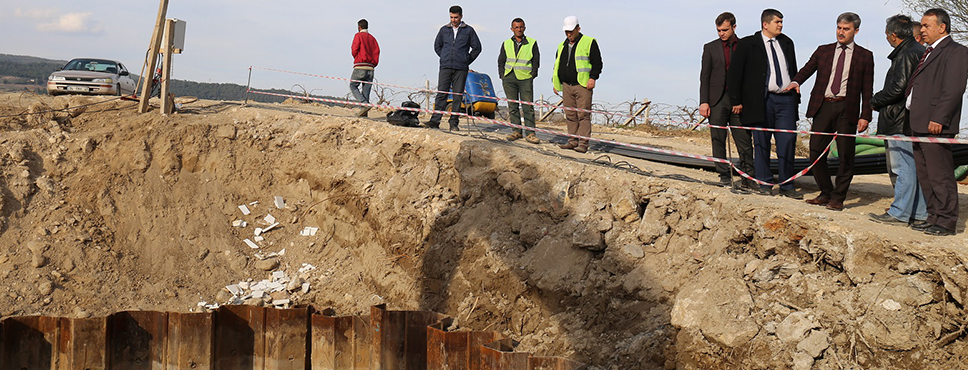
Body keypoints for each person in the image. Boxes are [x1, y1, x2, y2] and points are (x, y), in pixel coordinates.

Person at [784, 12, 874, 210]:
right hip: (823, 106)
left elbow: (868, 89)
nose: (841, 32)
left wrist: (865, 115)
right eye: (839, 28)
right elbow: (807, 69)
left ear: (856, 31)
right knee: (815, 152)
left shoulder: (865, 56)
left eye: (846, 29)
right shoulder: (823, 51)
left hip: (847, 108)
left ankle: (838, 198)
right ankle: (825, 192)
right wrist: (796, 81)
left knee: (846, 155)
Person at [726, 9, 802, 198]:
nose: (781, 25)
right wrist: (736, 100)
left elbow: (792, 69)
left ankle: (786, 185)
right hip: (761, 101)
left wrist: (795, 91)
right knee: (761, 143)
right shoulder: (748, 44)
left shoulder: (787, 42)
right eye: (777, 22)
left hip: (785, 100)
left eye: (782, 22)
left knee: (787, 142)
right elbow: (735, 74)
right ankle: (765, 183)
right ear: (765, 24)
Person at [906, 8, 968, 236]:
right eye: (921, 25)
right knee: (926, 175)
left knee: (940, 175)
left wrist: (939, 117)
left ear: (942, 27)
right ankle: (933, 217)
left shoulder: (956, 52)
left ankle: (946, 221)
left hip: (935, 124)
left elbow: (953, 89)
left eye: (926, 25)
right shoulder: (929, 52)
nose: (921, 30)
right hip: (918, 123)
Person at [868, 15, 928, 227]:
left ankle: (900, 212)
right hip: (911, 118)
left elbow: (898, 88)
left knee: (902, 167)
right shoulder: (919, 51)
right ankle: (919, 212)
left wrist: (875, 101)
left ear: (893, 35)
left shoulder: (906, 54)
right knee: (912, 166)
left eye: (887, 34)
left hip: (899, 119)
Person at [699, 12, 754, 192]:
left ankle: (748, 177)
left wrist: (744, 100)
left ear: (734, 27)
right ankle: (724, 175)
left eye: (725, 30)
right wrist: (704, 102)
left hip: (739, 102)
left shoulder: (745, 46)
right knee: (718, 139)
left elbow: (749, 76)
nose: (721, 33)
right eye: (718, 30)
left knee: (744, 141)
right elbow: (705, 76)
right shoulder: (710, 48)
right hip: (716, 100)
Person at [426, 5, 482, 131]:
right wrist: (444, 57)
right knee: (442, 94)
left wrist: (466, 60)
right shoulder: (444, 30)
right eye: (451, 17)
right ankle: (435, 121)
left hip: (461, 68)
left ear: (461, 16)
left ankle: (454, 123)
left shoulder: (469, 30)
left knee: (457, 96)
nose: (453, 20)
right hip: (445, 67)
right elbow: (437, 46)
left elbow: (477, 48)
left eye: (456, 17)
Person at [554, 15, 603, 154]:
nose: (568, 34)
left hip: (583, 85)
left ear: (578, 29)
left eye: (571, 31)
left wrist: (593, 78)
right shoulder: (561, 46)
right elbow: (557, 65)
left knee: (583, 115)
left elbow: (597, 63)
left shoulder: (589, 42)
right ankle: (572, 141)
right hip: (566, 85)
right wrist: (556, 83)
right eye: (566, 32)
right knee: (570, 114)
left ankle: (583, 143)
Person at [499, 18, 541, 144]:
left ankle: (530, 133)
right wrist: (502, 75)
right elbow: (501, 60)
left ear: (524, 28)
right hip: (509, 77)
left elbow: (536, 60)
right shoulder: (506, 43)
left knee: (527, 106)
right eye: (516, 27)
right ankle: (516, 131)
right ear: (512, 29)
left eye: (521, 27)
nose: (519, 29)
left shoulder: (532, 43)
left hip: (525, 78)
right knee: (513, 106)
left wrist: (532, 74)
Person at [350, 19, 380, 117]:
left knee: (353, 85)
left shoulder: (358, 36)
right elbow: (377, 51)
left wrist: (357, 58)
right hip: (371, 67)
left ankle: (364, 104)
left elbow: (354, 49)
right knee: (366, 91)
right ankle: (364, 115)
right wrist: (374, 63)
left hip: (361, 65)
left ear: (359, 27)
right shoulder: (373, 38)